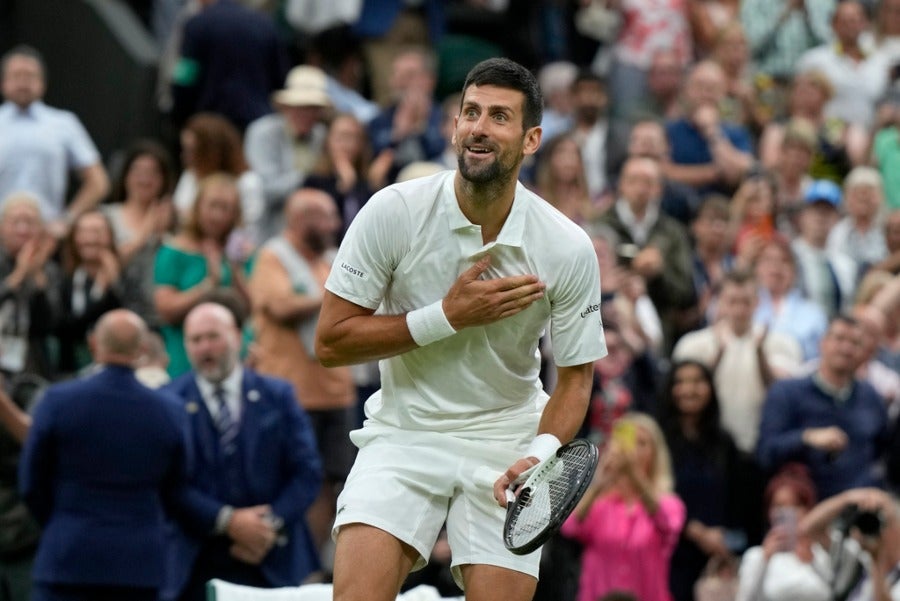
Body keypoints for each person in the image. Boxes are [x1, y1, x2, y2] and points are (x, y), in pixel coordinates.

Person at [315, 58, 607, 601]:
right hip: (403, 433)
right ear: (454, 126)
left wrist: (541, 452)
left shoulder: (567, 247)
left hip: (506, 440)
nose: (478, 126)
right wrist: (446, 316)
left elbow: (576, 377)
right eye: (470, 112)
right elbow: (331, 342)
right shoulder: (393, 211)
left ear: (531, 139)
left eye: (499, 117)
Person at [18, 309, 189, 601]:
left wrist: (64, 522)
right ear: (142, 349)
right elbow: (178, 485)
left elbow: (31, 482)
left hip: (68, 558)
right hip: (139, 565)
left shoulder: (58, 401)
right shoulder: (169, 410)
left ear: (93, 344)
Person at [161, 302, 322, 601]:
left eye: (213, 337)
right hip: (196, 562)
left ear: (237, 335)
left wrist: (265, 525)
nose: (205, 348)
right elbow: (169, 481)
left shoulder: (278, 394)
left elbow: (307, 472)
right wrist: (227, 521)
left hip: (271, 558)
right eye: (196, 340)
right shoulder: (168, 401)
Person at [247, 188, 357, 563]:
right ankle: (285, 562)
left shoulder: (332, 258)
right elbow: (279, 305)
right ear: (301, 219)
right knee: (287, 480)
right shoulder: (272, 256)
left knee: (330, 481)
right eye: (325, 216)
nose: (333, 225)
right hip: (290, 393)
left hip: (337, 391)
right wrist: (336, 296)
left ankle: (313, 566)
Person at [757, 314, 889, 499]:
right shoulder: (787, 393)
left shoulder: (870, 396)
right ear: (823, 343)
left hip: (860, 505)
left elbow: (883, 450)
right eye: (839, 339)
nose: (846, 348)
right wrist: (806, 438)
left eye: (855, 342)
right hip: (807, 504)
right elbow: (765, 454)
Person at [672, 269, 802, 454]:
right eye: (732, 301)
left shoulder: (782, 343)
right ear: (720, 303)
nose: (740, 310)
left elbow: (782, 392)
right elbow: (682, 396)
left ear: (757, 302)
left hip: (760, 444)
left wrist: (760, 355)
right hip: (708, 446)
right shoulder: (692, 344)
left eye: (746, 302)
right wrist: (718, 355)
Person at [658, 360, 757, 601]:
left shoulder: (725, 444)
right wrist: (695, 530)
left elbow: (739, 500)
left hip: (716, 553)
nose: (689, 389)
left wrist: (727, 541)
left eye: (697, 382)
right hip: (669, 550)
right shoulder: (659, 439)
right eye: (680, 382)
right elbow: (655, 494)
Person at [560, 412, 686, 601]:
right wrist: (600, 482)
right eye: (629, 442)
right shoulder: (600, 503)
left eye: (642, 443)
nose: (633, 451)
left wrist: (636, 477)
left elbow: (668, 526)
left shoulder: (669, 503)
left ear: (655, 453)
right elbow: (570, 528)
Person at [0, 45, 109, 236]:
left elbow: (98, 182)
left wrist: (67, 220)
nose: (23, 82)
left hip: (48, 237)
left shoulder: (64, 123)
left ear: (42, 83)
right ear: (4, 82)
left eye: (30, 76)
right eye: (17, 75)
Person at [153, 173, 249, 377]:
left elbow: (252, 307)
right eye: (213, 206)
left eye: (226, 209)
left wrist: (235, 269)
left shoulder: (239, 252)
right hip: (185, 357)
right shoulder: (174, 251)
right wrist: (208, 285)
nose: (218, 215)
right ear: (198, 207)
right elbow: (166, 309)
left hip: (232, 358)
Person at [169, 0, 289, 131]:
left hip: (211, 125)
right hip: (256, 122)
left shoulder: (197, 24)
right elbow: (280, 79)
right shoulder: (266, 25)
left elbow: (185, 78)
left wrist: (178, 118)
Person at [244, 65, 332, 242]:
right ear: (286, 107)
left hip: (311, 227)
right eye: (300, 107)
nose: (306, 114)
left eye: (313, 108)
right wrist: (308, 178)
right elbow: (266, 189)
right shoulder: (263, 132)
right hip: (268, 227)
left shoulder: (321, 135)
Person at [735, 463, 828, 601]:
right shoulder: (755, 557)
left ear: (808, 510)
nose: (786, 513)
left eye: (795, 505)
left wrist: (812, 563)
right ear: (769, 512)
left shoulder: (819, 554)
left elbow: (833, 594)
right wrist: (764, 559)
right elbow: (744, 598)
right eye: (778, 506)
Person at [798, 487, 900, 601]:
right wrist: (847, 498)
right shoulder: (857, 561)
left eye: (885, 523)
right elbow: (809, 529)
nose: (877, 531)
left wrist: (877, 559)